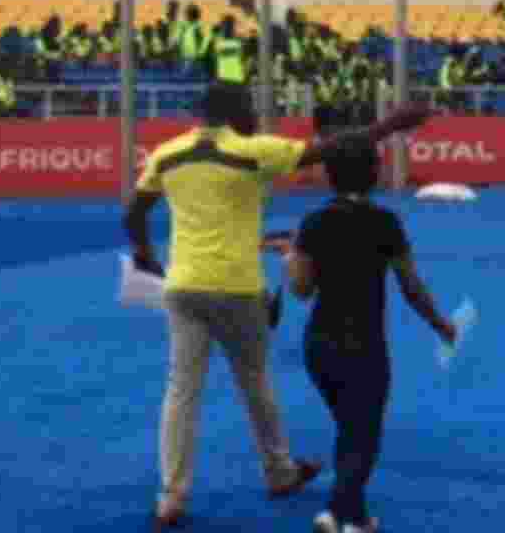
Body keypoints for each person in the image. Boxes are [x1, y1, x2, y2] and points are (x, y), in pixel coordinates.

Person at [122, 82, 430, 528]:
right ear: (234, 113)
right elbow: (337, 148)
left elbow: (134, 212)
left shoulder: (166, 154)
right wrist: (393, 124)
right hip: (236, 285)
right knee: (255, 382)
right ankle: (280, 470)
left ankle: (172, 496)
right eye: (249, 107)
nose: (255, 116)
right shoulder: (253, 150)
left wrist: (144, 254)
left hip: (183, 284)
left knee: (181, 390)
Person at [279, 137, 456, 533]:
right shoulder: (386, 223)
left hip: (319, 347)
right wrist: (440, 323)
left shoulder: (314, 222)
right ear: (373, 175)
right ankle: (337, 512)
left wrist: (292, 258)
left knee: (349, 428)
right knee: (363, 437)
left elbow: (301, 290)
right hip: (364, 347)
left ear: (330, 176)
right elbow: (411, 286)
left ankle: (352, 515)